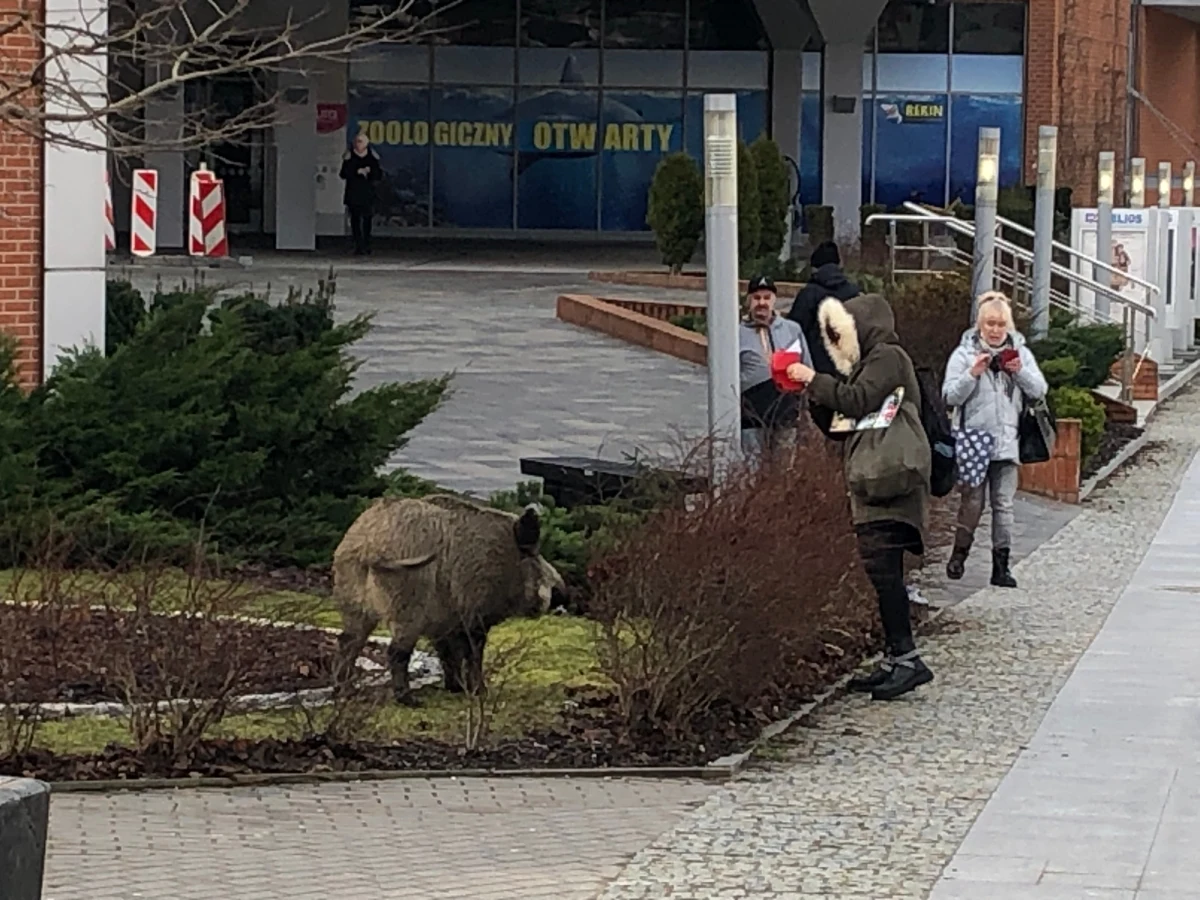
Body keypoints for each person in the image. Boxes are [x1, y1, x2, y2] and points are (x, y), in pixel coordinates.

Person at [786, 293, 934, 701]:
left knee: (885, 572)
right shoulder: (868, 364)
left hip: (890, 480)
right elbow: (844, 422)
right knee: (882, 572)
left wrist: (812, 378)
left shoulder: (888, 357)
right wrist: (816, 398)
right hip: (874, 481)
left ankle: (908, 659)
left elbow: (856, 401)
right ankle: (896, 658)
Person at [942, 291, 1048, 588]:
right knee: (972, 503)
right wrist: (972, 374)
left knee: (1004, 505)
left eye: (1001, 324)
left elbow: (1040, 391)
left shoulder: (1020, 353)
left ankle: (1001, 566)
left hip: (1008, 441)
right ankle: (959, 554)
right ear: (980, 324)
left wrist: (1019, 372)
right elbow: (949, 396)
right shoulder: (963, 354)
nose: (995, 330)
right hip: (974, 440)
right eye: (990, 323)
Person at [739, 275, 810, 459]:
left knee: (784, 466)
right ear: (749, 300)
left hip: (785, 411)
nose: (762, 303)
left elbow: (807, 367)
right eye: (756, 298)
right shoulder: (737, 333)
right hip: (752, 413)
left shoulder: (792, 329)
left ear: (774, 300)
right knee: (752, 465)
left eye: (766, 297)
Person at [786, 240, 861, 380]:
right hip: (847, 366)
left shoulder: (809, 293)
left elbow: (794, 330)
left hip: (815, 368)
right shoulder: (853, 292)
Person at [340, 133, 383, 255]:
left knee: (367, 219)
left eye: (361, 141)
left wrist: (370, 172)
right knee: (355, 220)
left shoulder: (372, 157)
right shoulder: (349, 157)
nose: (358, 144)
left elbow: (378, 175)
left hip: (367, 194)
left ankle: (367, 245)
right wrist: (356, 171)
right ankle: (358, 245)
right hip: (353, 194)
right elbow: (343, 174)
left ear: (366, 143)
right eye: (357, 141)